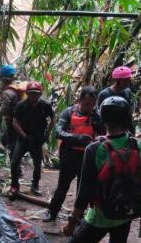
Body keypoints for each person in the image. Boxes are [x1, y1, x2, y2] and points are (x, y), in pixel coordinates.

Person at [55, 96, 141, 243]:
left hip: (101, 215)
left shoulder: (95, 149)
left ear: (103, 119)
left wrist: (72, 222)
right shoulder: (139, 145)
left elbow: (84, 192)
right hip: (128, 211)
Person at [43, 86, 104, 222]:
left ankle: (78, 216)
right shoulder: (69, 112)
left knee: (83, 188)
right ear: (80, 100)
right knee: (62, 187)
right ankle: (52, 211)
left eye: (92, 104)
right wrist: (78, 138)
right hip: (69, 155)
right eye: (86, 104)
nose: (89, 107)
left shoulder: (97, 115)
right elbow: (59, 132)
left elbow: (105, 134)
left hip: (88, 157)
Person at [10, 81, 55, 196]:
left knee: (37, 164)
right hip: (23, 138)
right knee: (14, 162)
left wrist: (47, 134)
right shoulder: (21, 105)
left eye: (36, 93)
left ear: (40, 94)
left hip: (37, 137)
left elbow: (53, 119)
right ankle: (14, 186)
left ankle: (35, 185)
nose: (33, 96)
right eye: (31, 93)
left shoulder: (45, 105)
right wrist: (24, 136)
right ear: (27, 93)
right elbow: (15, 122)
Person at [0, 64, 25, 158]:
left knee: (11, 144)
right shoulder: (19, 86)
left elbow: (4, 111)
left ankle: (16, 168)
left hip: (13, 123)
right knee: (4, 139)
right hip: (24, 120)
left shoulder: (7, 92)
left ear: (4, 79)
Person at [97, 66, 135, 133]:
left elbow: (128, 113)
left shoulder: (127, 91)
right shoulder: (104, 94)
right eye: (125, 80)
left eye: (129, 79)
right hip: (109, 131)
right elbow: (100, 116)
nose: (128, 82)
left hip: (124, 130)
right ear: (117, 80)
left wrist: (131, 131)